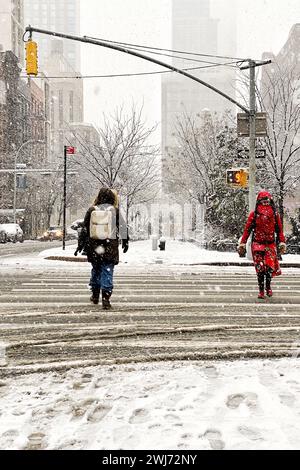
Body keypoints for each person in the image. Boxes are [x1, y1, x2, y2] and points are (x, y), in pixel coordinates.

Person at [83, 188, 129, 309]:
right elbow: (123, 227)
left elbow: (84, 229)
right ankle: (106, 298)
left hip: (94, 246)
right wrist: (125, 241)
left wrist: (82, 244)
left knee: (96, 269)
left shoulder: (92, 209)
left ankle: (95, 294)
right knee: (107, 270)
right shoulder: (114, 211)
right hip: (110, 246)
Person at [238, 190, 286, 299]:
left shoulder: (257, 214)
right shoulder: (271, 214)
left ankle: (263, 289)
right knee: (267, 267)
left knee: (262, 268)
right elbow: (279, 231)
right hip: (266, 244)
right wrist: (282, 242)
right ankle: (266, 288)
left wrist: (243, 243)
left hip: (260, 244)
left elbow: (247, 230)